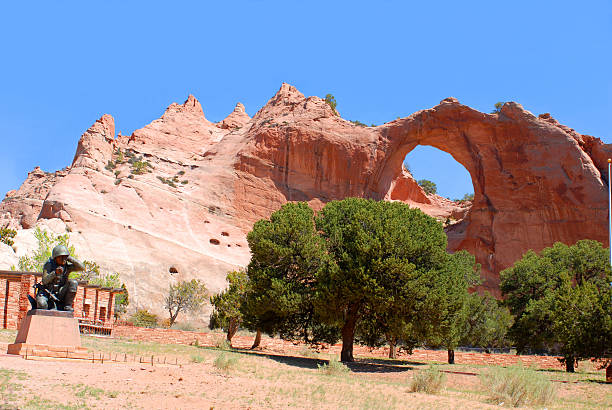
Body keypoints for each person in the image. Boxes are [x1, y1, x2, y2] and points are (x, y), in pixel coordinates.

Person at [37, 245, 85, 311]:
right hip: (47, 292)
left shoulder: (67, 267)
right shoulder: (49, 265)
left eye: (65, 257)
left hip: (60, 292)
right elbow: (44, 281)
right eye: (61, 257)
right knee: (42, 304)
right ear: (55, 258)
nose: (63, 259)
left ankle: (67, 306)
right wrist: (55, 273)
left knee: (73, 282)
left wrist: (69, 258)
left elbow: (81, 267)